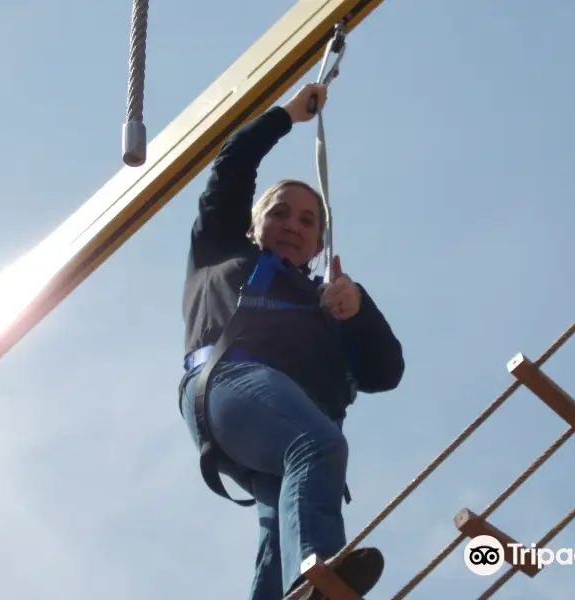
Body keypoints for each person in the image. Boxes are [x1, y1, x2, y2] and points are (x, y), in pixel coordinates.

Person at [178, 82, 405, 600]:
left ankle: (294, 587)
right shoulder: (221, 250)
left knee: (280, 529)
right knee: (318, 446)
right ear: (254, 223)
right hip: (225, 383)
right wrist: (286, 117)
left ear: (320, 244)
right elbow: (233, 163)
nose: (291, 225)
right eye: (278, 212)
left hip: (269, 427)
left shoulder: (326, 304)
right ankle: (318, 580)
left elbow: (385, 373)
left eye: (307, 220)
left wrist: (357, 309)